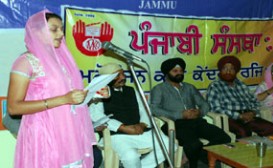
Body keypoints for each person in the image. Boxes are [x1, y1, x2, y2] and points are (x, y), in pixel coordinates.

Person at [6, 10, 96, 167]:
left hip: (69, 134)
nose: (61, 33)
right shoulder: (26, 62)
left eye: (61, 29)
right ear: (36, 32)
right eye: (54, 29)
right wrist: (63, 99)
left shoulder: (63, 61)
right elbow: (14, 108)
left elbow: (71, 98)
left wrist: (93, 93)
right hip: (44, 136)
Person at [150, 57, 231, 168]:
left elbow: (204, 104)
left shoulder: (189, 87)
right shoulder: (159, 89)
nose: (179, 73)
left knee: (224, 138)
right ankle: (195, 162)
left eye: (181, 71)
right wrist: (180, 115)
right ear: (166, 73)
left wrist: (200, 112)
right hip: (176, 125)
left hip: (196, 122)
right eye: (175, 71)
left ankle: (200, 155)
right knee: (194, 144)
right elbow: (154, 109)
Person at [89, 63, 169, 168]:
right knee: (131, 156)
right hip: (117, 136)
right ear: (107, 79)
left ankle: (143, 166)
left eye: (123, 74)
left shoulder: (131, 91)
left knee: (168, 145)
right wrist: (122, 127)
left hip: (138, 131)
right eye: (117, 75)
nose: (122, 77)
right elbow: (97, 116)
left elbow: (144, 110)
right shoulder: (99, 92)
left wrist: (142, 124)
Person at [207, 55, 273, 139]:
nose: (228, 71)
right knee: (244, 132)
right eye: (225, 68)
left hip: (248, 116)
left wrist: (252, 113)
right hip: (230, 118)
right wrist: (239, 116)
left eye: (231, 69)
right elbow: (215, 108)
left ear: (236, 71)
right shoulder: (215, 86)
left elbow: (254, 101)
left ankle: (259, 148)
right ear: (220, 70)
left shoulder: (242, 85)